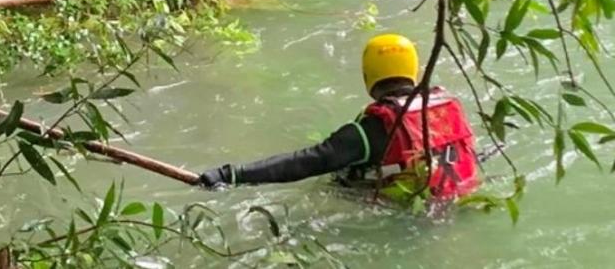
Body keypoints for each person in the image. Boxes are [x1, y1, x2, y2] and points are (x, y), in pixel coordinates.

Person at [198, 34, 480, 201]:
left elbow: (307, 161)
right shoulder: (445, 106)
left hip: (400, 210)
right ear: (413, 69)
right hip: (459, 196)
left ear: (367, 74)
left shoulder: (370, 130)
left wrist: (230, 175)